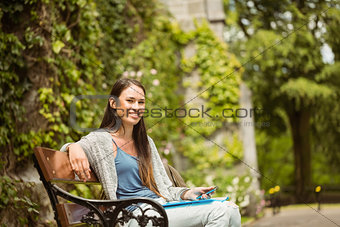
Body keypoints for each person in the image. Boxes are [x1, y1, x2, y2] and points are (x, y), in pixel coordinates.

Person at [62, 78, 241, 226]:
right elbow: (71, 149)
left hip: (161, 208)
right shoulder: (101, 139)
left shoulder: (146, 143)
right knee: (218, 212)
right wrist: (73, 146)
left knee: (231, 208)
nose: (137, 107)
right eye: (130, 101)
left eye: (141, 102)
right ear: (113, 103)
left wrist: (187, 193)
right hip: (135, 217)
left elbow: (164, 189)